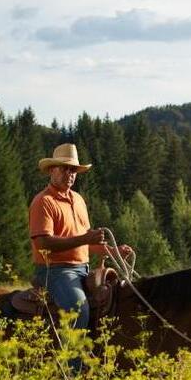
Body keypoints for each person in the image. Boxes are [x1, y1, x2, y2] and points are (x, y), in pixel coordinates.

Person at [28, 143, 132, 334]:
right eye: (65, 168)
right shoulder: (43, 201)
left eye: (74, 169)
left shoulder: (78, 200)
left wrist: (114, 251)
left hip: (82, 269)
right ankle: (71, 364)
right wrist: (85, 238)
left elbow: (89, 244)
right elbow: (42, 242)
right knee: (78, 311)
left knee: (118, 301)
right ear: (52, 170)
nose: (70, 173)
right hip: (55, 272)